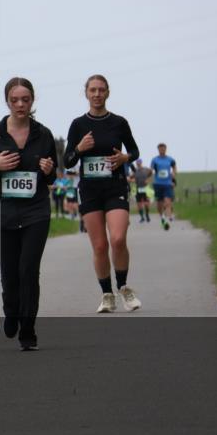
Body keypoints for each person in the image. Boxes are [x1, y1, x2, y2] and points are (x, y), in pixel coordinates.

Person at [0, 77, 57, 351]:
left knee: (29, 270)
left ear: (32, 101)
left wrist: (49, 170)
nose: (20, 104)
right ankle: (11, 311)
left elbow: (53, 178)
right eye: (15, 100)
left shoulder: (44, 135)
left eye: (25, 99)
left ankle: (28, 330)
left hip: (35, 211)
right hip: (2, 211)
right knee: (10, 273)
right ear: (7, 101)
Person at [64, 74, 142, 314]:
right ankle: (107, 294)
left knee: (118, 239)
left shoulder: (119, 122)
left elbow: (135, 150)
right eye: (92, 90)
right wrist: (79, 148)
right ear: (86, 93)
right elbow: (67, 161)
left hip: (115, 186)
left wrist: (125, 158)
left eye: (101, 90)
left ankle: (124, 288)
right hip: (90, 190)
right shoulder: (78, 125)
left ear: (108, 93)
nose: (97, 94)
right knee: (99, 246)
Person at [150, 143, 178, 230]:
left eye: (163, 148)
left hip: (168, 184)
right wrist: (149, 175)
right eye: (160, 149)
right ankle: (162, 217)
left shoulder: (170, 159)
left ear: (166, 149)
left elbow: (174, 167)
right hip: (158, 184)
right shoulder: (155, 160)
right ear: (158, 150)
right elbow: (151, 169)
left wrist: (173, 173)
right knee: (159, 204)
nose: (162, 150)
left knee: (167, 202)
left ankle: (168, 221)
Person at [130, 158, 153, 223]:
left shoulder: (146, 169)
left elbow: (151, 173)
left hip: (146, 188)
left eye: (139, 163)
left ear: (141, 163)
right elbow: (130, 178)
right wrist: (132, 180)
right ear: (136, 164)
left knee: (146, 203)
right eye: (137, 163)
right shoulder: (135, 171)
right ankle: (142, 217)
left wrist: (148, 180)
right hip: (138, 188)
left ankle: (147, 215)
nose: (138, 164)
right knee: (139, 204)